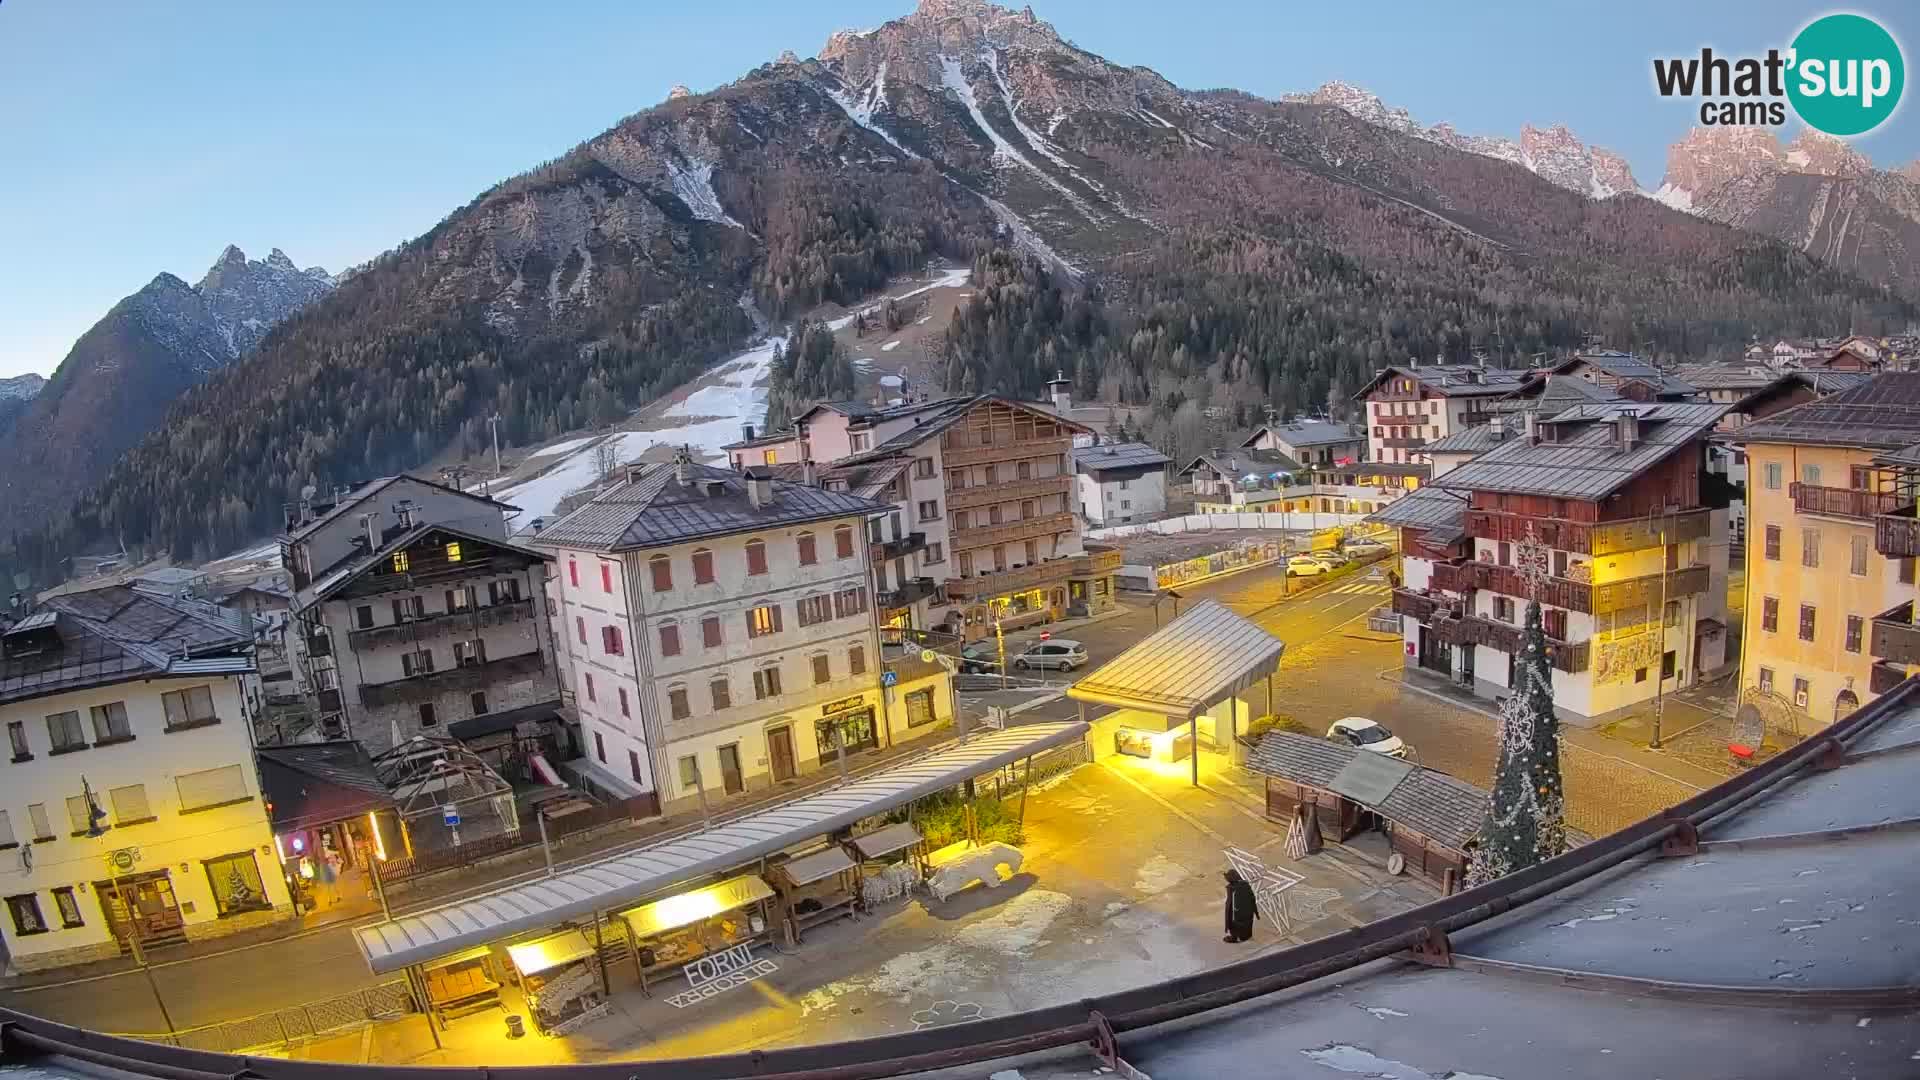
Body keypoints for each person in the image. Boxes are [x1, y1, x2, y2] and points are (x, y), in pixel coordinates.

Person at [1222, 868, 1258, 943]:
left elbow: (1229, 904)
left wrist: (1227, 923)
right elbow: (1252, 899)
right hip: (1248, 915)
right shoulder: (1246, 885)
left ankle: (1234, 937)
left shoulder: (1231, 888)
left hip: (1237, 915)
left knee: (1235, 922)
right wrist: (1256, 912)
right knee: (1246, 923)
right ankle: (1246, 936)